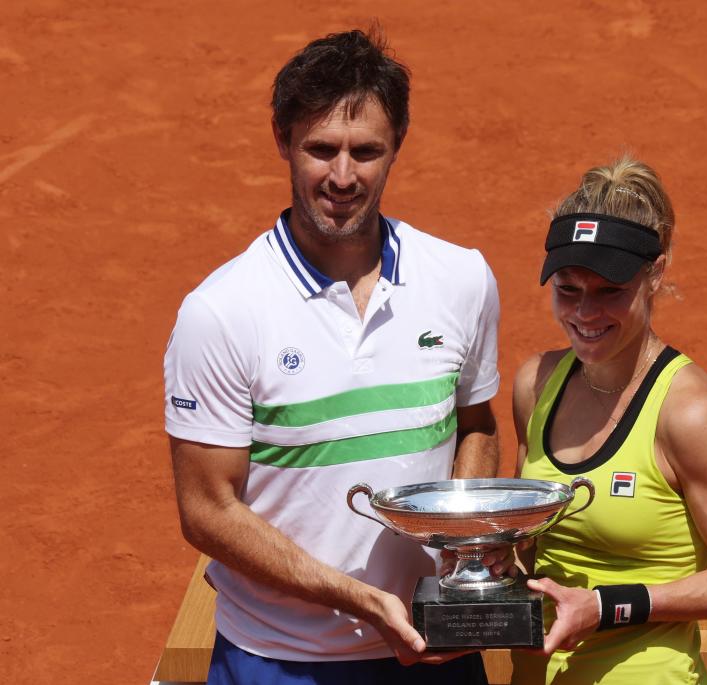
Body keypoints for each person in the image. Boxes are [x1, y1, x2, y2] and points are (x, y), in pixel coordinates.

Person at [163, 29, 501, 685]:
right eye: (321, 150)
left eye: (365, 152)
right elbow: (206, 509)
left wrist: (465, 559)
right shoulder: (222, 311)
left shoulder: (461, 278)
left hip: (437, 654)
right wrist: (360, 598)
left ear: (397, 145)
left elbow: (476, 423)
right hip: (279, 659)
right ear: (283, 140)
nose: (342, 177)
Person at [510, 157, 707, 684]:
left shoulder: (690, 414)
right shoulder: (535, 384)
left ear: (655, 274)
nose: (585, 314)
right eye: (567, 289)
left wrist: (605, 606)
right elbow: (531, 548)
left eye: (610, 291)